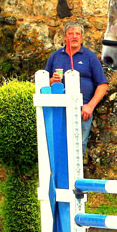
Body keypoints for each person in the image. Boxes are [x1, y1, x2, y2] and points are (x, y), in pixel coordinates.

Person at [45, 21, 108, 156]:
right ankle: (59, 177)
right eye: (70, 34)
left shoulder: (90, 57)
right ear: (64, 37)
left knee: (78, 148)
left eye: (77, 34)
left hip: (82, 111)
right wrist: (52, 81)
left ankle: (75, 177)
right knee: (57, 146)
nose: (74, 37)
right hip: (58, 110)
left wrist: (90, 106)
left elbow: (102, 84)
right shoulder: (55, 57)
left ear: (82, 38)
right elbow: (44, 83)